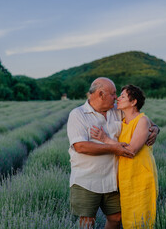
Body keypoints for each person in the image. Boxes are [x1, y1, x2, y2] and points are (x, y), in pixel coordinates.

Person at [67, 78, 159, 229]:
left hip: (113, 180)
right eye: (113, 94)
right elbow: (80, 146)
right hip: (87, 180)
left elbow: (139, 119)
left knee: (117, 218)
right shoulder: (78, 114)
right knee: (87, 222)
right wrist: (113, 147)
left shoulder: (116, 111)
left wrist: (155, 128)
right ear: (101, 94)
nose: (116, 97)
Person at [91, 84, 158, 229]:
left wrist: (106, 140)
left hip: (141, 176)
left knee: (141, 219)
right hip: (126, 177)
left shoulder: (142, 121)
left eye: (123, 96)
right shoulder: (123, 120)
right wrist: (157, 129)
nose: (118, 99)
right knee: (129, 219)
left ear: (133, 102)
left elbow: (131, 150)